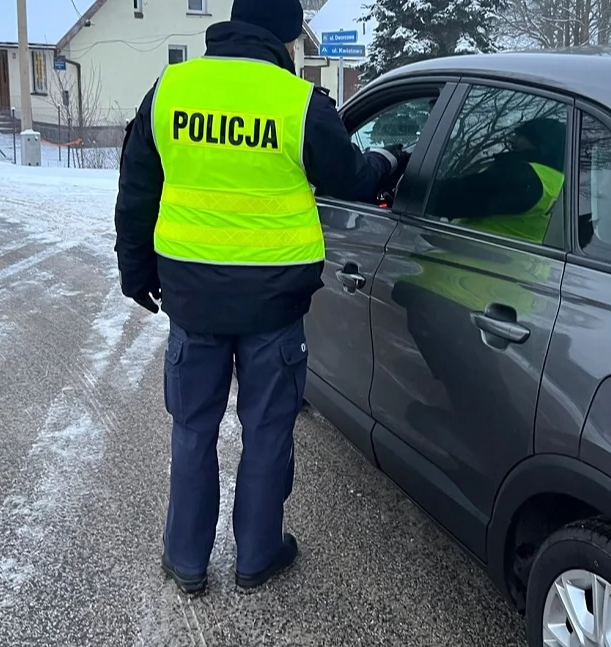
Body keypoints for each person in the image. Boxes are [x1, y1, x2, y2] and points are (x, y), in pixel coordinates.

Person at [113, 0, 409, 597]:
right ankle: (257, 556)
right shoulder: (297, 102)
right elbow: (351, 178)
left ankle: (187, 559)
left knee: (193, 428)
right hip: (273, 305)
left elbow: (138, 181)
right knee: (267, 429)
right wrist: (389, 159)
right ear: (285, 37)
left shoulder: (173, 88)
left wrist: (135, 267)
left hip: (192, 300)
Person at [427, 117, 566, 244]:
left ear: (541, 143)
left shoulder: (523, 176)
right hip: (521, 267)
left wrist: (414, 183)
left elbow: (450, 198)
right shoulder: (559, 183)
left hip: (471, 261)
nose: (512, 139)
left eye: (521, 136)